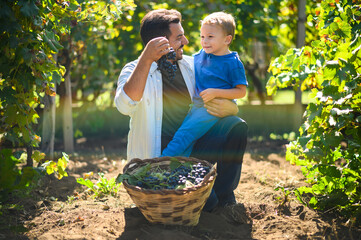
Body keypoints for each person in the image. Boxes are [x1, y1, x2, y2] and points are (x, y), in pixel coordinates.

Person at [114, 9, 248, 212]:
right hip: (159, 160)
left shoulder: (190, 65)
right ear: (159, 43)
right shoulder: (134, 69)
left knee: (236, 126)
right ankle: (206, 195)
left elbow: (221, 92)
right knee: (207, 204)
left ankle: (226, 194)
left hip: (193, 148)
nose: (186, 41)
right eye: (178, 37)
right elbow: (124, 105)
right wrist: (146, 58)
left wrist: (230, 108)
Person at [161, 12, 248, 157]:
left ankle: (160, 163)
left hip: (212, 107)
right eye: (202, 37)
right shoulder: (202, 55)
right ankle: (179, 170)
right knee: (189, 139)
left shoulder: (232, 62)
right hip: (196, 105)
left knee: (184, 135)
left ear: (227, 39)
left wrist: (215, 92)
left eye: (210, 37)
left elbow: (241, 92)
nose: (205, 41)